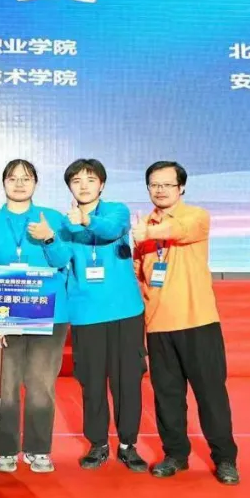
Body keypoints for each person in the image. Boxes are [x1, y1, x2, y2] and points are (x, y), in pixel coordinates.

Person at [132, 161, 240, 486]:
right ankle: (175, 455)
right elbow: (139, 276)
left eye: (167, 184)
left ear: (181, 188)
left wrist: (148, 233)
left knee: (210, 395)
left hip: (198, 322)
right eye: (154, 185)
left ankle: (225, 459)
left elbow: (179, 231)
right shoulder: (143, 228)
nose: (160, 190)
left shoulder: (196, 217)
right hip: (159, 325)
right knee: (167, 397)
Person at [0, 159, 71, 473]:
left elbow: (62, 260)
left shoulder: (52, 218)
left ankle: (38, 449)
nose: (19, 184)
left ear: (36, 183)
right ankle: (5, 449)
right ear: (3, 183)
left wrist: (49, 237)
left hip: (49, 314)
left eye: (26, 178)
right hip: (4, 317)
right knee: (4, 384)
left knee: (41, 384)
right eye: (12, 178)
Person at [59, 158, 148, 472]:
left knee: (128, 381)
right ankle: (98, 444)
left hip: (125, 311)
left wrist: (85, 220)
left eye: (90, 179)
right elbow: (58, 258)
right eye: (76, 181)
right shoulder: (64, 223)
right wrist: (50, 238)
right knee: (92, 382)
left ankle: (127, 445)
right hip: (86, 312)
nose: (83, 186)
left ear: (102, 184)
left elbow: (111, 230)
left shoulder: (116, 211)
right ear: (69, 187)